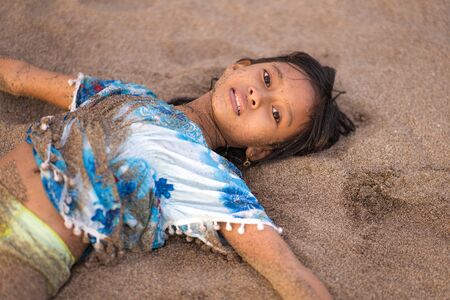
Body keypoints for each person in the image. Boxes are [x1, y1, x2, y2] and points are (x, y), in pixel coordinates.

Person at [0, 52, 354, 299]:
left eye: (277, 114)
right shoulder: (127, 94)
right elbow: (21, 78)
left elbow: (287, 271)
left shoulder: (214, 179)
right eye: (265, 78)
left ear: (261, 151)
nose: (258, 96)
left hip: (29, 244)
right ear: (237, 67)